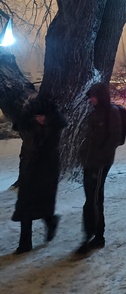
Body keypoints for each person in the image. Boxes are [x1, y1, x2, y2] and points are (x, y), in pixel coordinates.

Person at [11, 95, 66, 254]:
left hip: (47, 171)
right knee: (25, 208)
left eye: (43, 115)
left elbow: (47, 149)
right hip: (29, 170)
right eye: (37, 116)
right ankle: (25, 243)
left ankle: (50, 221)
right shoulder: (28, 126)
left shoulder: (54, 128)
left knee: (43, 205)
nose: (40, 118)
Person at [77, 83, 123, 254]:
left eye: (94, 96)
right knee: (90, 198)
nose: (91, 99)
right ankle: (90, 234)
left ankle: (97, 236)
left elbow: (114, 139)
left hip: (101, 163)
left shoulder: (112, 112)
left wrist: (101, 158)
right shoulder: (94, 112)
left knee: (95, 199)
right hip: (89, 162)